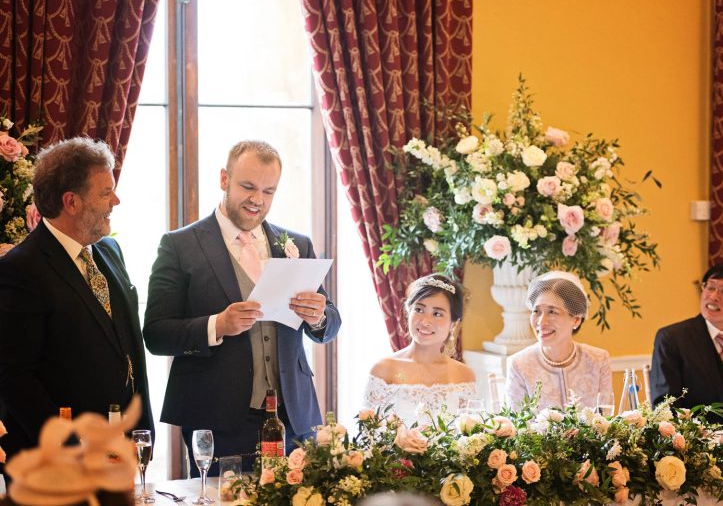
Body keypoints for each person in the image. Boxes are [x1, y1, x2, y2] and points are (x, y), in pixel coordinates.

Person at [143, 140, 340, 476]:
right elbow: (156, 334)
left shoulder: (297, 244)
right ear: (224, 179)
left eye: (268, 191)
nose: (257, 200)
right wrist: (216, 325)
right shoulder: (180, 246)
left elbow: (330, 324)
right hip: (217, 416)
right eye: (248, 187)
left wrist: (319, 315)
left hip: (292, 415)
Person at [0, 137, 154, 473]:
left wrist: (143, 432)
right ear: (71, 202)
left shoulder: (110, 253)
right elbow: (14, 378)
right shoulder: (21, 269)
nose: (116, 200)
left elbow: (128, 348)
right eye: (104, 193)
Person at [650, 262, 723, 428]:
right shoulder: (672, 339)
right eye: (710, 287)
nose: (713, 296)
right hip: (695, 446)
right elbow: (664, 406)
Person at [363, 274, 476, 426]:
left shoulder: (464, 375)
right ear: (408, 311)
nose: (425, 321)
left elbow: (469, 435)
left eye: (437, 314)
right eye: (419, 309)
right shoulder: (383, 370)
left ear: (453, 324)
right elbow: (368, 435)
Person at [505, 271, 612, 410]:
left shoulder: (598, 360)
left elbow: (605, 420)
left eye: (552, 312)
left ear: (576, 319)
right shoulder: (518, 364)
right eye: (536, 311)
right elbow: (518, 426)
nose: (541, 322)